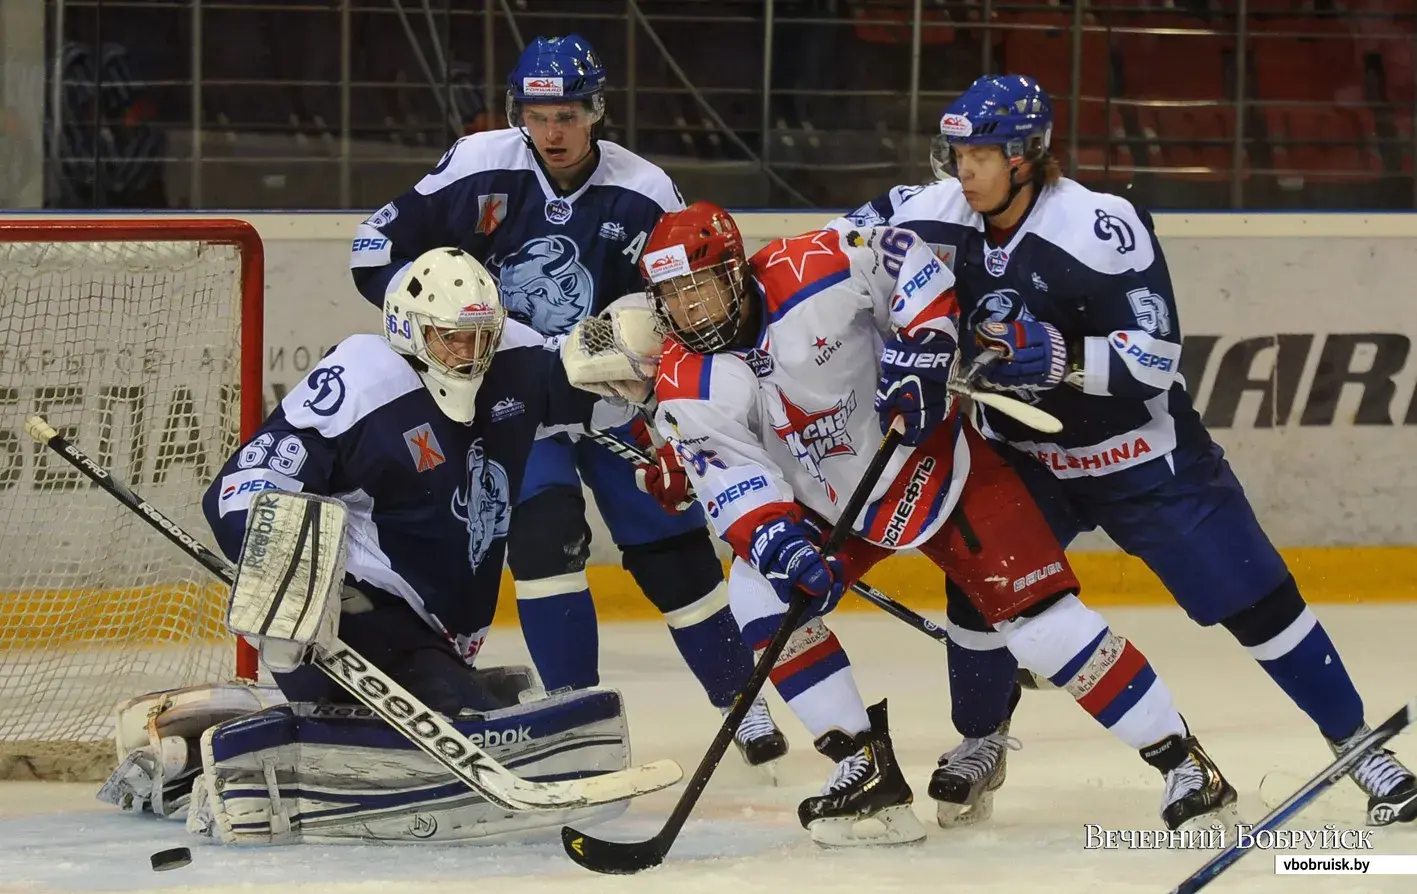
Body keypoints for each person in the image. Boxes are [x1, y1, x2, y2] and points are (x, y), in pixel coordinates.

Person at [839, 72, 1417, 828]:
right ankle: (982, 738)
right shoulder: (930, 209)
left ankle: (1358, 744)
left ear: (1025, 155)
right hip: (1022, 458)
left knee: (1258, 603)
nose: (964, 170)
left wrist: (1058, 357)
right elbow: (827, 253)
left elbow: (1155, 358)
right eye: (956, 152)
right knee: (977, 596)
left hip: (1140, 459)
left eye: (981, 154)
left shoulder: (1100, 227)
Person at [566, 201, 1238, 844]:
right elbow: (736, 481)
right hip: (831, 504)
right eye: (673, 296)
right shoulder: (685, 383)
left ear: (735, 272)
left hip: (935, 464)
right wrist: (779, 544)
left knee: (1040, 630)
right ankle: (863, 767)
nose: (688, 309)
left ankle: (1183, 762)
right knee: (756, 590)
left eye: (700, 289)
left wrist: (922, 345)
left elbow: (910, 263)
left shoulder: (815, 265)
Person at [95, 248, 643, 844]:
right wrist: (305, 589)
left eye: (479, 338)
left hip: (440, 622)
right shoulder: (360, 381)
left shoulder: (510, 355)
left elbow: (593, 388)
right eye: (450, 340)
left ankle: (190, 727)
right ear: (410, 331)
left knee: (418, 708)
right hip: (351, 615)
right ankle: (223, 766)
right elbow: (237, 490)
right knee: (453, 714)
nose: (469, 355)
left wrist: (636, 367)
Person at [348, 33, 784, 768]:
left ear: (596, 112)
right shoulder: (479, 163)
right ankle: (574, 717)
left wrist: (651, 371)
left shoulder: (642, 190)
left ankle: (742, 701)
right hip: (514, 399)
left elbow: (688, 306)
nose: (552, 132)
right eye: (538, 114)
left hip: (616, 398)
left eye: (568, 115)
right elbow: (372, 251)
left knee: (669, 551)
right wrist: (436, 327)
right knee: (544, 539)